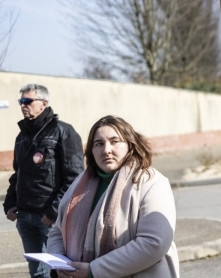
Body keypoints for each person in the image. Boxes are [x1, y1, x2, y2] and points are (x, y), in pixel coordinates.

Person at [47, 115, 179, 278]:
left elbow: (154, 243)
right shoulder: (79, 184)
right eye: (99, 144)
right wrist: (59, 264)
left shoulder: (151, 182)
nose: (106, 150)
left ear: (130, 144)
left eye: (114, 141)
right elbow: (57, 232)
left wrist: (94, 270)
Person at [3, 84, 84, 278]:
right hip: (25, 217)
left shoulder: (64, 132)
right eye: (21, 101)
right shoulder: (21, 137)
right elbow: (18, 174)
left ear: (44, 103)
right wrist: (10, 203)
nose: (23, 105)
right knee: (37, 273)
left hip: (49, 218)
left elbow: (75, 177)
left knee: (60, 271)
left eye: (27, 101)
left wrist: (54, 210)